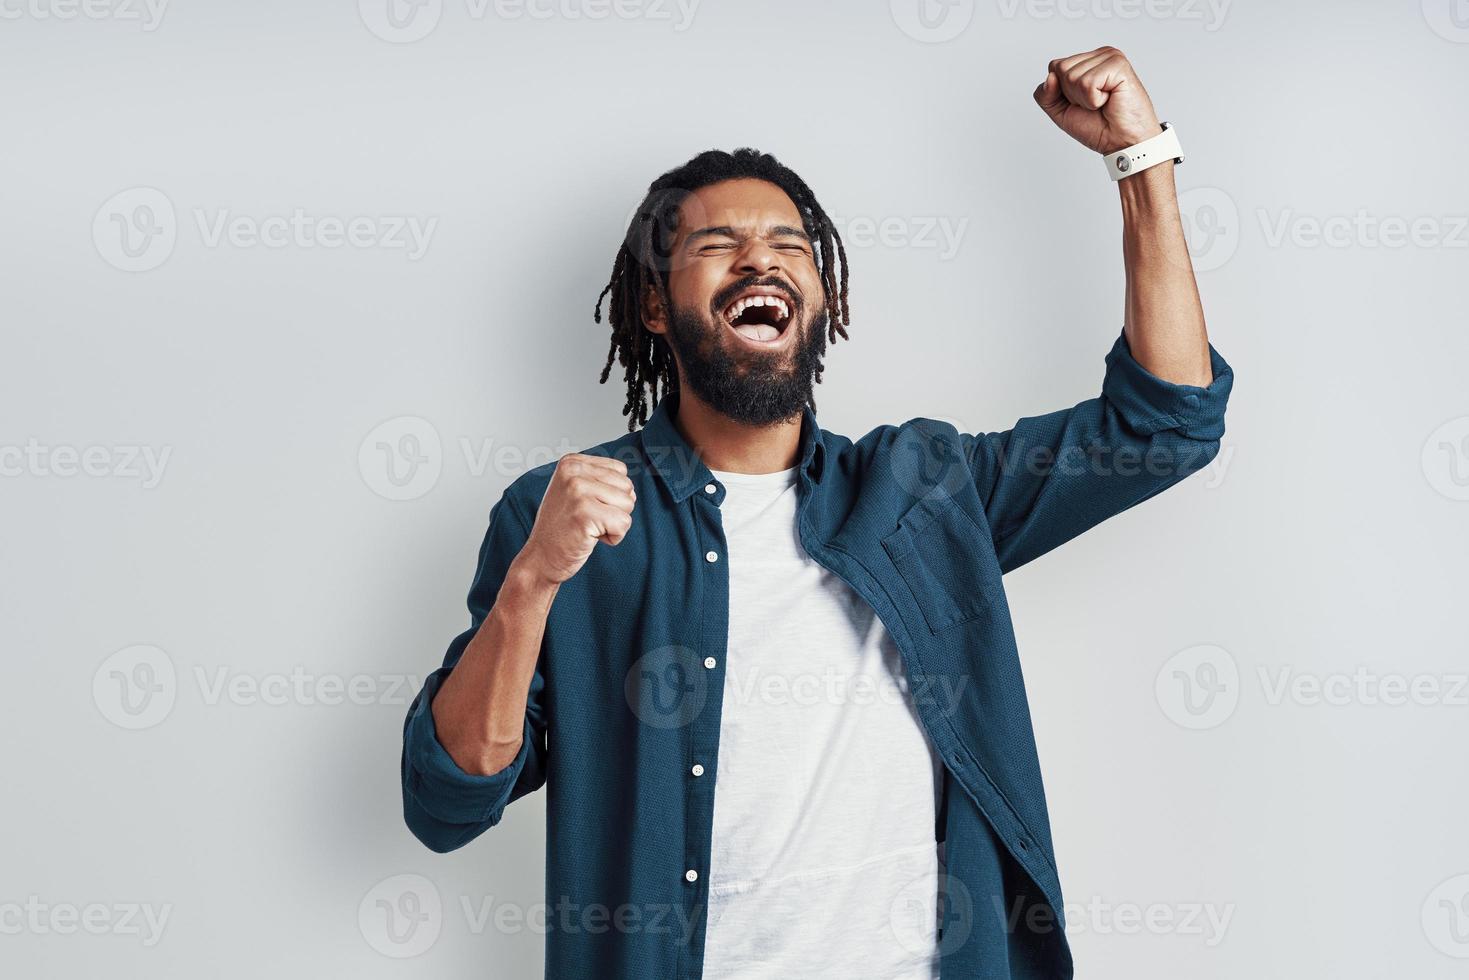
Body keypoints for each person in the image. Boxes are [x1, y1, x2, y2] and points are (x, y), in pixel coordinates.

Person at [401, 46, 1234, 979]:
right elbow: (446, 801)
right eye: (716, 245)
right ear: (651, 305)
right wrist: (531, 584)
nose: (760, 257)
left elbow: (1163, 426)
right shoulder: (564, 518)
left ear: (822, 297)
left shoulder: (923, 492)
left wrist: (1142, 163)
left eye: (788, 244)